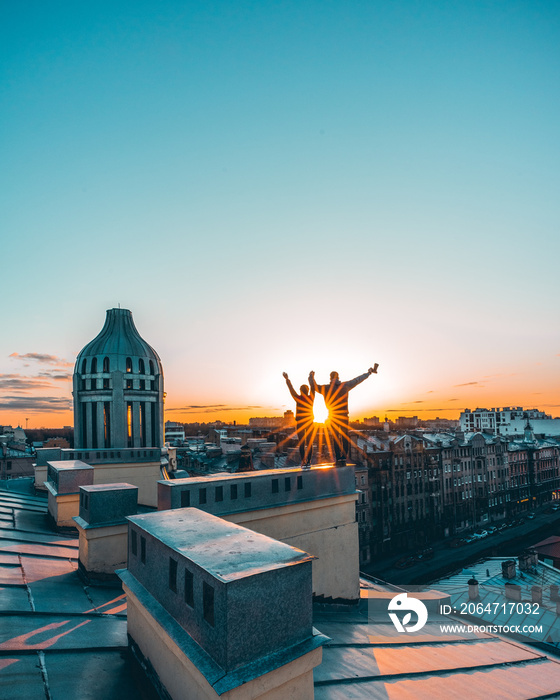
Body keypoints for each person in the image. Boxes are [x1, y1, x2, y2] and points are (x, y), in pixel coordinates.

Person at [309, 365, 378, 465]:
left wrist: (311, 376)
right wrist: (369, 373)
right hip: (344, 416)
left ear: (330, 378)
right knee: (345, 436)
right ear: (338, 377)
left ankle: (338, 459)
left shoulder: (326, 388)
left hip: (333, 416)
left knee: (336, 437)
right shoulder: (345, 386)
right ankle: (344, 457)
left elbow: (314, 386)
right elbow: (358, 380)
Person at [283, 372, 315, 467]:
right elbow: (313, 388)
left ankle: (304, 461)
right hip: (309, 423)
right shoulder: (311, 398)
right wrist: (311, 377)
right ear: (307, 390)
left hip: (300, 423)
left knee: (302, 443)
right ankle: (308, 461)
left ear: (300, 391)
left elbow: (291, 389)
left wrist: (287, 379)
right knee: (309, 443)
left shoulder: (298, 398)